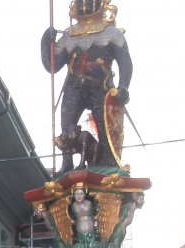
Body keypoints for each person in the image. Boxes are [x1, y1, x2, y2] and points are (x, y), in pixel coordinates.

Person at [39, 0, 132, 172]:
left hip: (100, 86)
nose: (84, 5)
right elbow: (52, 65)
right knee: (67, 127)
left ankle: (108, 161)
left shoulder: (111, 33)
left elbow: (125, 61)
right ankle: (67, 162)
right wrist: (46, 42)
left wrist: (124, 86)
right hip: (74, 86)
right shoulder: (69, 35)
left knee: (104, 127)